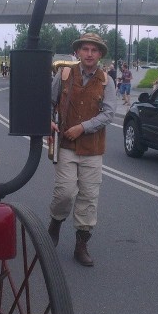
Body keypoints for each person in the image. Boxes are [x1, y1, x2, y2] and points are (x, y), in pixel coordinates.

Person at [48, 33, 117, 267]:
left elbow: (108, 114)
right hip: (66, 145)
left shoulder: (107, 81)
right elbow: (48, 100)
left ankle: (81, 245)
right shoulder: (64, 74)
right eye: (85, 49)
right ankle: (55, 223)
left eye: (94, 50)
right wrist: (49, 120)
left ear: (100, 54)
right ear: (78, 52)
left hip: (93, 149)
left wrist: (82, 128)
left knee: (89, 197)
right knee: (65, 193)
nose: (89, 54)